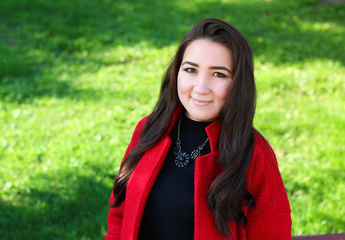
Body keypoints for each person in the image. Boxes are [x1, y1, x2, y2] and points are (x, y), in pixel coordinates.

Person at [105, 18, 291, 240]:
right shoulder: (149, 129)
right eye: (191, 70)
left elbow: (273, 233)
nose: (200, 88)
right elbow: (119, 213)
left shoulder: (253, 152)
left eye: (218, 74)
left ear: (238, 84)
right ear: (176, 73)